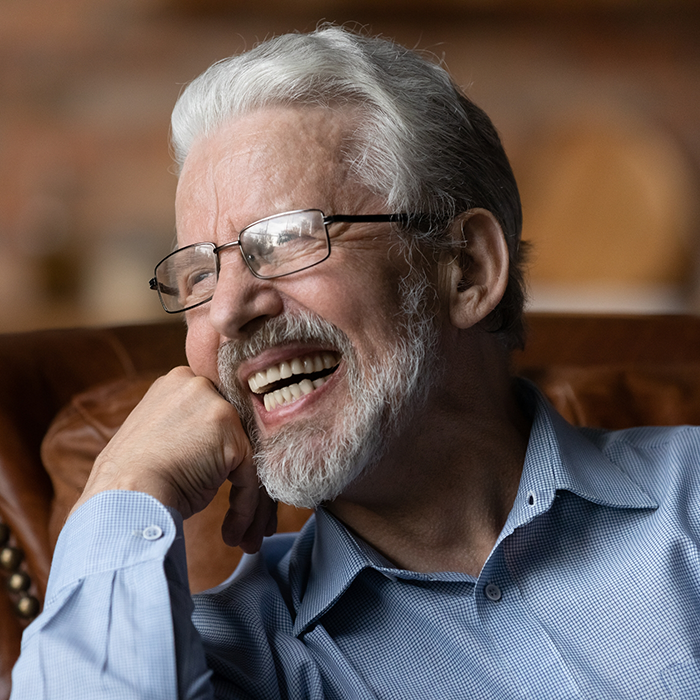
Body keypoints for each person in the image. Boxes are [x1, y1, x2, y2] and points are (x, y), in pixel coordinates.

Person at [10, 25, 700, 700]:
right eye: (197, 276)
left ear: (466, 270)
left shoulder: (689, 501)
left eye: (284, 239)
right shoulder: (233, 660)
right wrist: (127, 483)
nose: (225, 311)